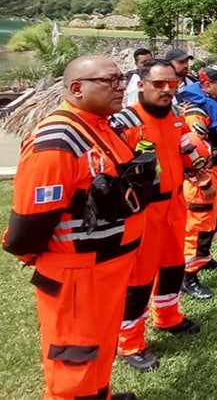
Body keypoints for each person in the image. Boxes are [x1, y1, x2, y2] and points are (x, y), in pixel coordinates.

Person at [2, 55, 149, 400]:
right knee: (75, 359)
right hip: (77, 279)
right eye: (109, 81)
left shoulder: (101, 127)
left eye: (121, 78)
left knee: (100, 347)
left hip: (106, 271)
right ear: (77, 89)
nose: (120, 87)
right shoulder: (57, 140)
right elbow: (30, 224)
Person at [111, 59, 202, 373]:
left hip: (175, 206)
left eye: (171, 83)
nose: (166, 90)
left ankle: (168, 317)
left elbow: (185, 148)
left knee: (173, 266)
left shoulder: (176, 116)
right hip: (143, 212)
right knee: (138, 279)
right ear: (141, 85)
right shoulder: (123, 123)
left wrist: (197, 166)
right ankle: (129, 342)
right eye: (159, 84)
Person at [177, 66, 217, 299]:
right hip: (205, 173)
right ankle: (188, 276)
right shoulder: (196, 111)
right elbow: (192, 150)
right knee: (199, 224)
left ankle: (204, 258)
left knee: (213, 219)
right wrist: (203, 181)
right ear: (206, 86)